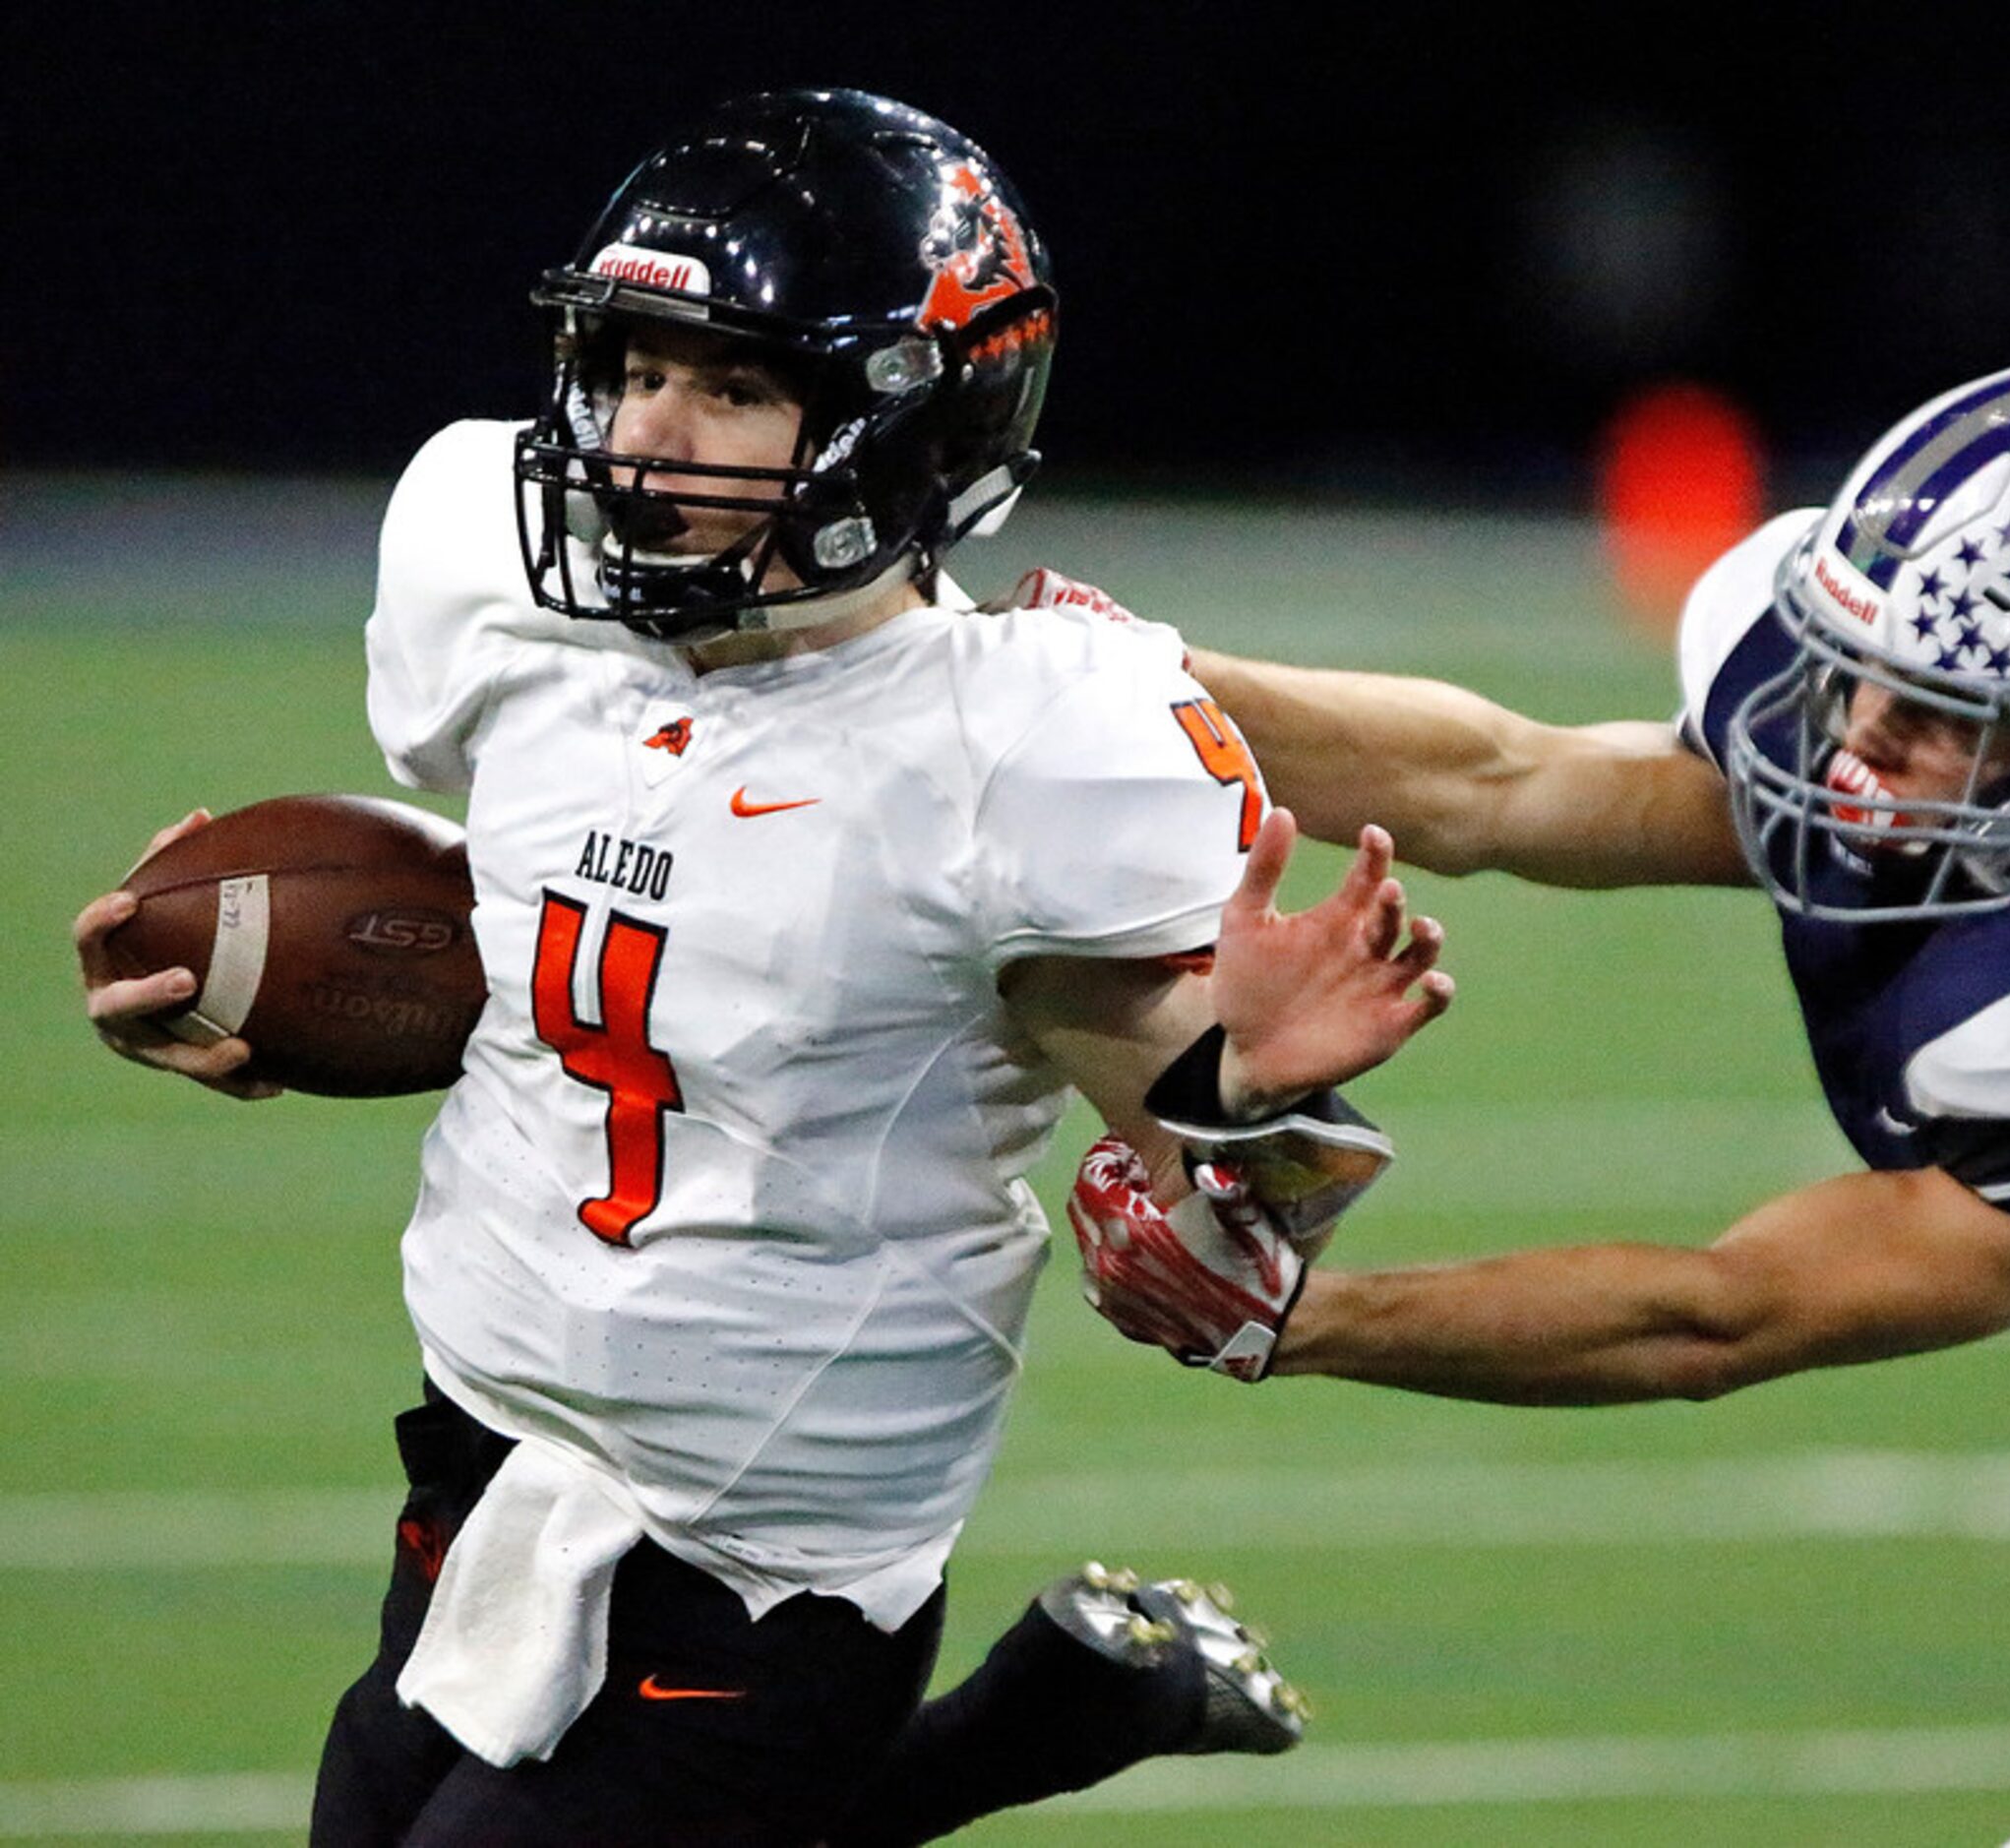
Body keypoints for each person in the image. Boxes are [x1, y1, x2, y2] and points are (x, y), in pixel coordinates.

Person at [72, 89, 1449, 1846]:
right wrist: (286, 1005)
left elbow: (1229, 1214)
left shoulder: (1014, 740)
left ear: (909, 426)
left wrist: (1254, 1090)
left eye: (730, 386)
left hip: (760, 1555)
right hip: (482, 1449)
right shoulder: (511, 592)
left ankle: (1024, 1720)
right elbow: (579, 958)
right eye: (634, 366)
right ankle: (1055, 1708)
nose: (649, 430)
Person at [1072, 356, 2010, 1844]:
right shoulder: (1985, 780)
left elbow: (1718, 1315)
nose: (1860, 734)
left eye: (1945, 711)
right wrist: (1137, 690)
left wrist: (1304, 1313)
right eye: (1871, 670)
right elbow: (1502, 782)